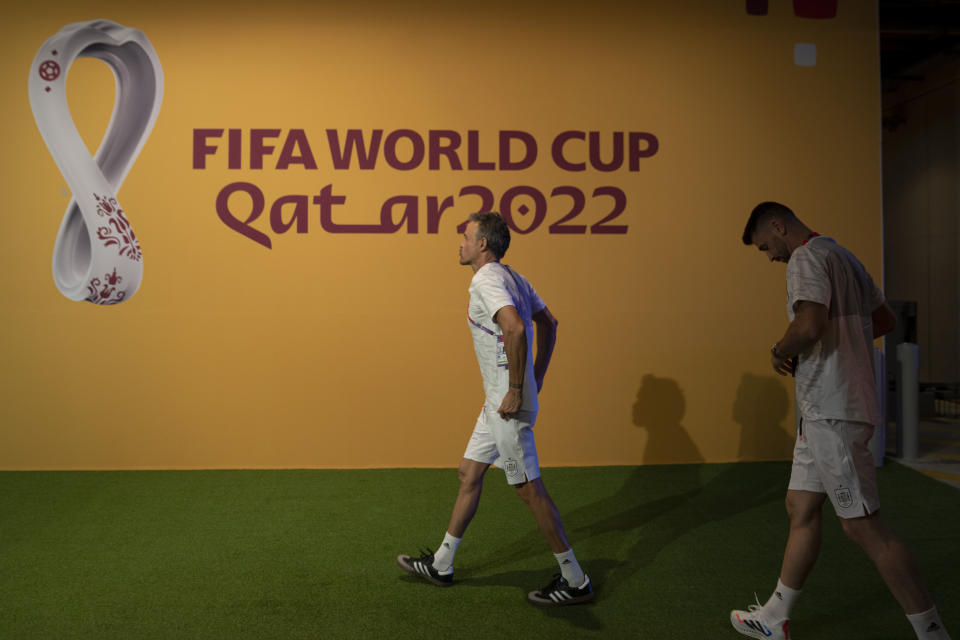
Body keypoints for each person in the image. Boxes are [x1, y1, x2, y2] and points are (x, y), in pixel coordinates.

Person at [732, 201, 951, 639]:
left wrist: (780, 350)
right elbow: (884, 319)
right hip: (823, 409)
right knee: (801, 505)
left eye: (765, 247)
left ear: (779, 227)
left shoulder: (806, 258)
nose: (770, 256)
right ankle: (775, 617)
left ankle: (932, 633)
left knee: (862, 526)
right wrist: (841, 342)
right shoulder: (843, 256)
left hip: (835, 410)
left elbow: (809, 325)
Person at [396, 211, 593, 606]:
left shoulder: (486, 279)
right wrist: (535, 377)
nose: (461, 242)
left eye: (466, 236)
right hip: (499, 400)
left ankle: (575, 580)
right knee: (469, 473)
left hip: (506, 402)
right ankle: (442, 563)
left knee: (527, 488)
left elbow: (516, 328)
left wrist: (519, 388)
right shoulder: (514, 277)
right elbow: (550, 324)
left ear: (482, 244)